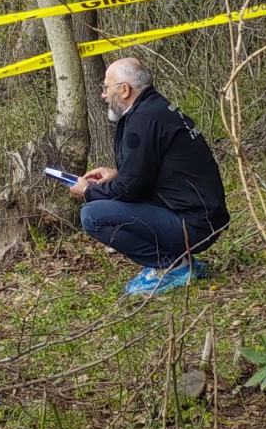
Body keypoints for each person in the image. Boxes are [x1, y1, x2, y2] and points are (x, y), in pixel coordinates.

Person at [68, 57, 229, 295]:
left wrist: (88, 191)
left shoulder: (143, 120)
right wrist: (116, 174)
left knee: (92, 215)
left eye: (105, 88)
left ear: (124, 90)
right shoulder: (156, 110)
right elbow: (155, 170)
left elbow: (131, 189)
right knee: (101, 206)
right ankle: (176, 261)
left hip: (193, 225)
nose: (103, 95)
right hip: (203, 217)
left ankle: (171, 265)